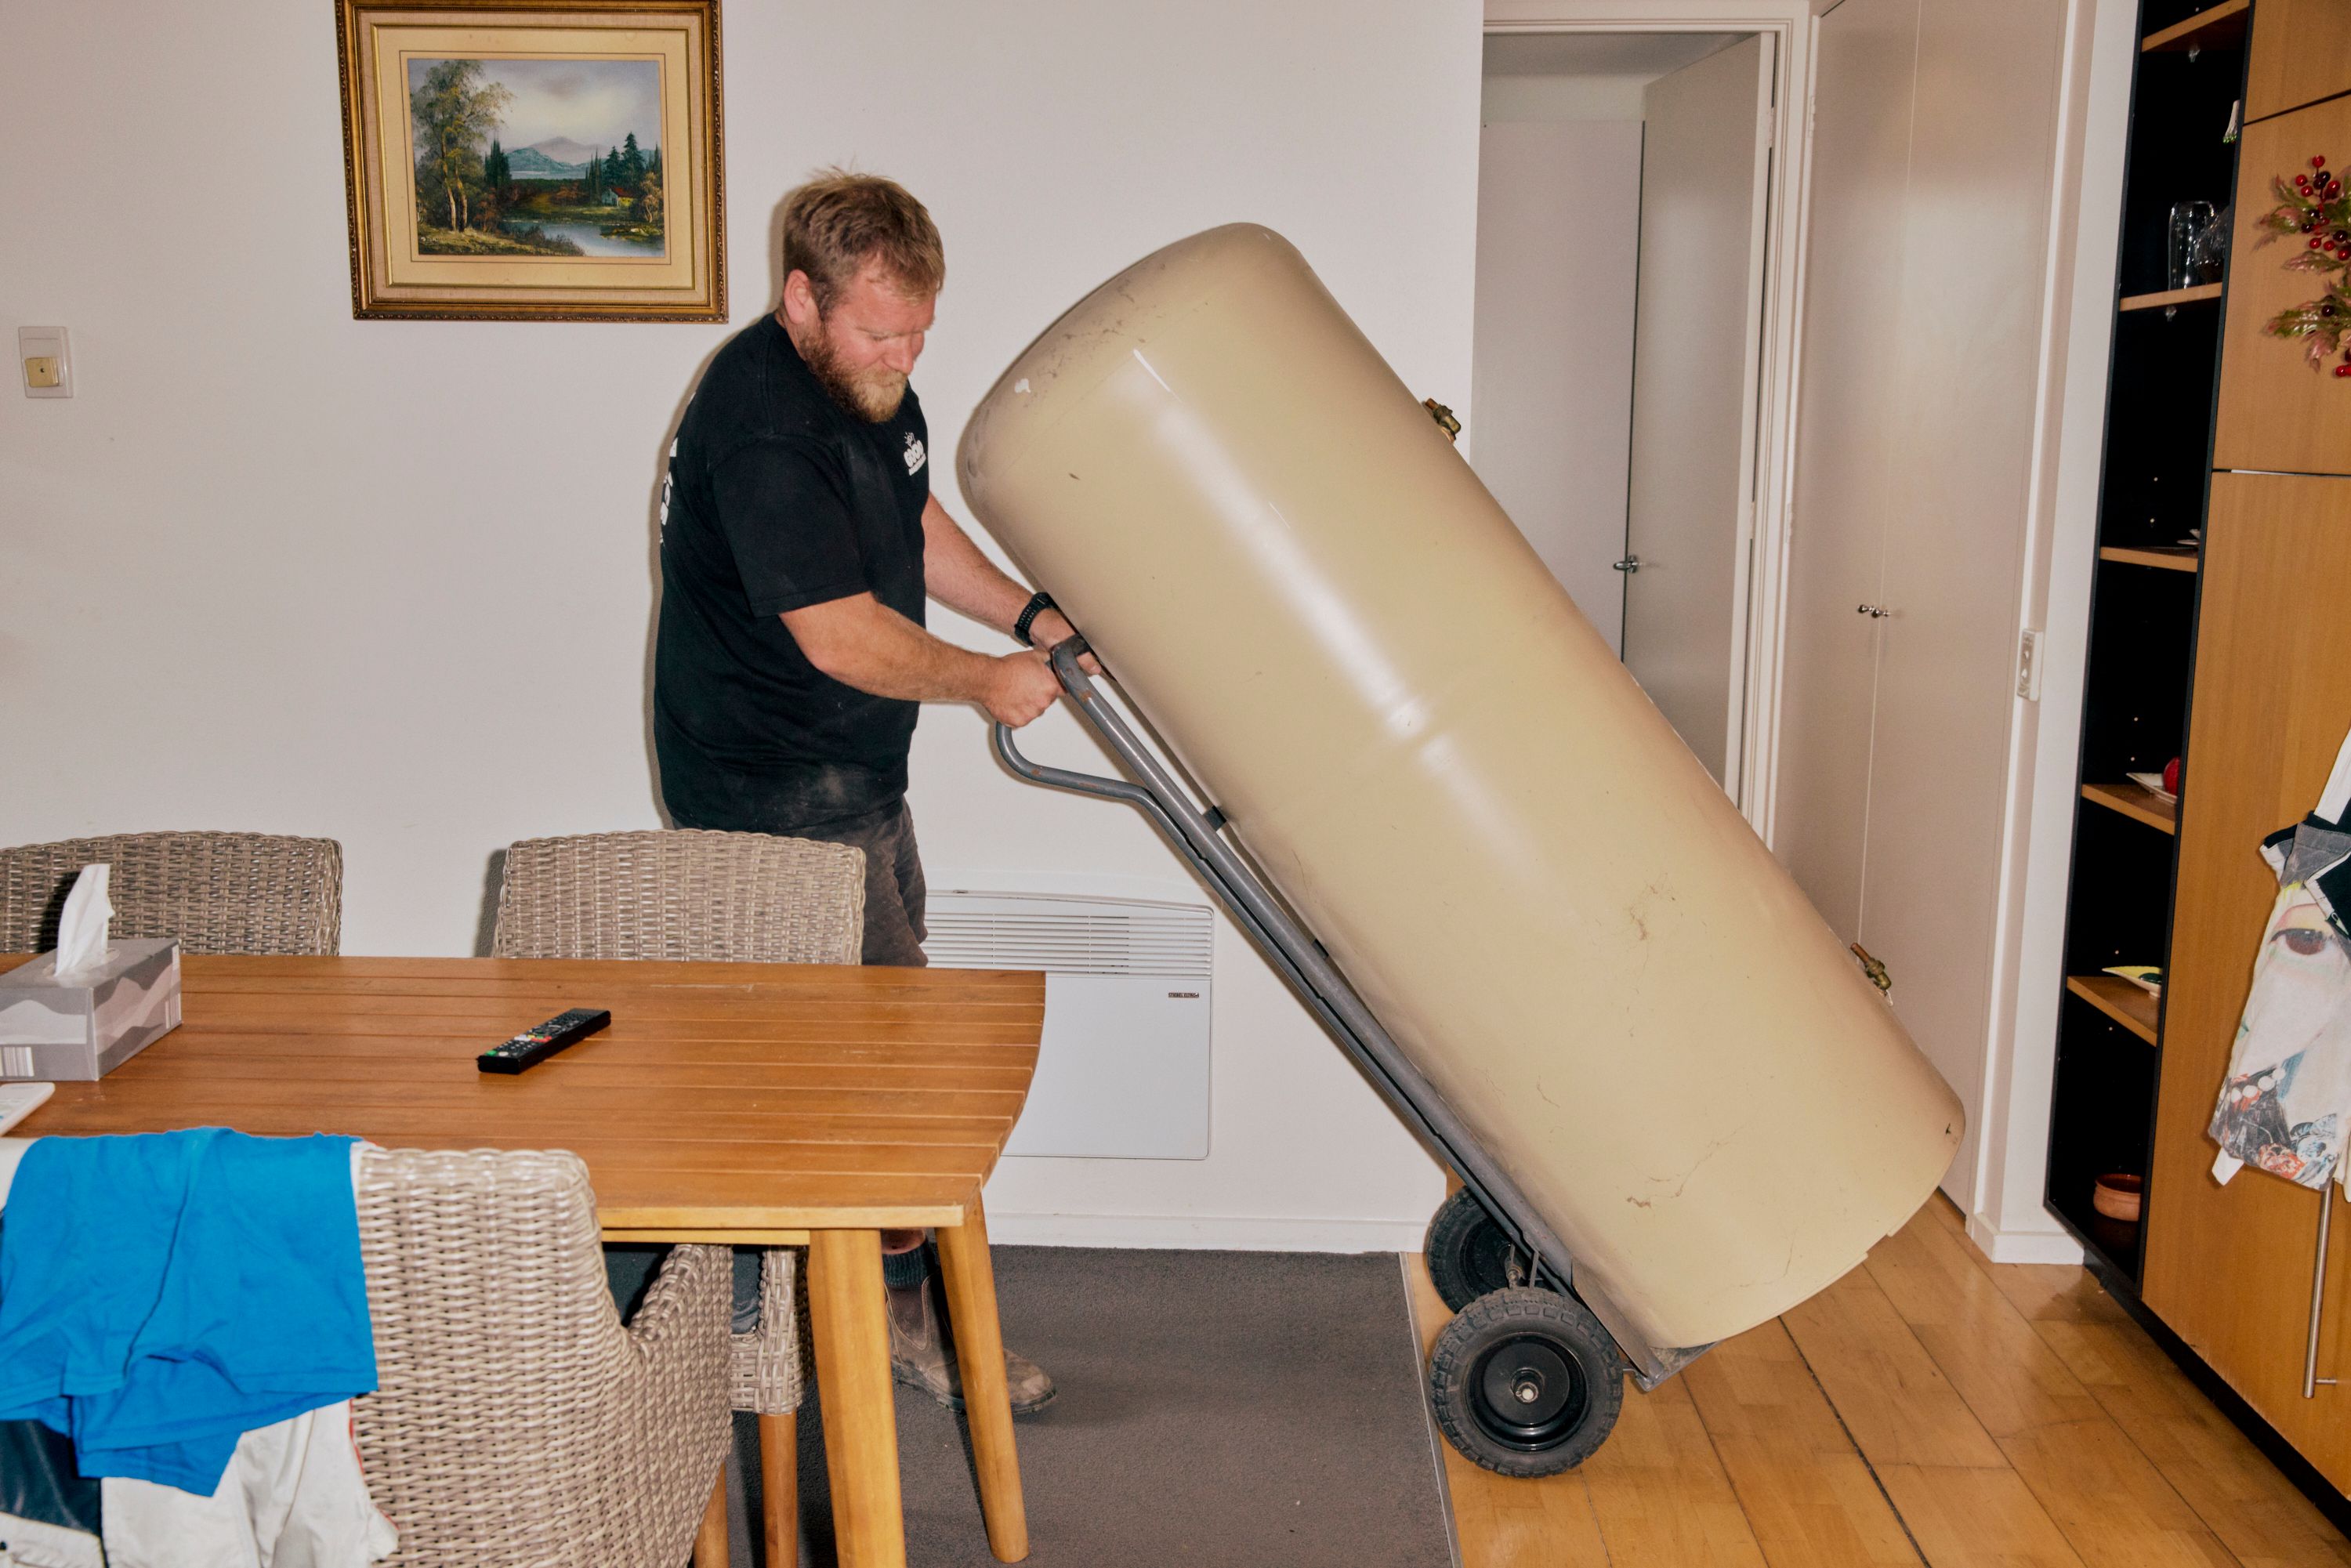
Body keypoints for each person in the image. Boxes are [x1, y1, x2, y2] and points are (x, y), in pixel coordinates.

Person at [649, 169, 1074, 1414]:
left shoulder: (862, 385)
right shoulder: (764, 422)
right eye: (882, 330)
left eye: (919, 330)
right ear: (801, 300)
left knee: (869, 1045)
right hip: (771, 784)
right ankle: (889, 1323)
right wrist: (988, 682)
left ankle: (802, 1301)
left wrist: (1035, 618)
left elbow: (913, 517)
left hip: (850, 765)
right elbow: (837, 633)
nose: (905, 352)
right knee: (895, 1067)